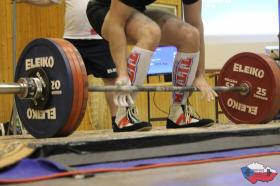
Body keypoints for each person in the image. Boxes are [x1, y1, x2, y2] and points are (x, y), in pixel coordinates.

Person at [14, 0, 147, 132]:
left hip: (101, 39)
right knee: (64, 84)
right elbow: (48, 1)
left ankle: (118, 121)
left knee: (112, 80)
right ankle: (58, 124)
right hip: (72, 41)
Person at [87, 0, 218, 129]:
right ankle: (124, 113)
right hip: (105, 11)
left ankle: (179, 112)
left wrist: (200, 75)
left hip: (136, 10)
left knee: (191, 35)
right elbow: (116, 23)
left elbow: (196, 24)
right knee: (151, 32)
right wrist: (122, 74)